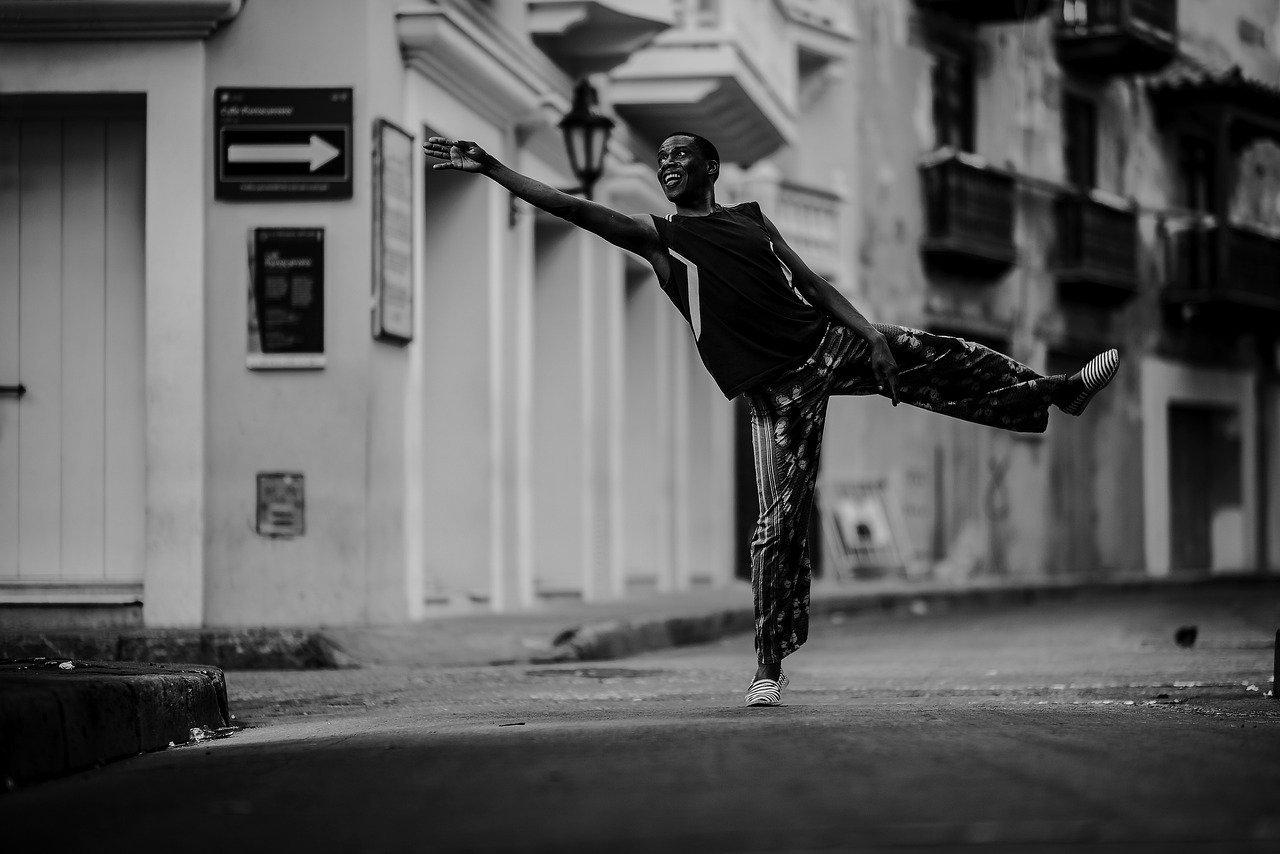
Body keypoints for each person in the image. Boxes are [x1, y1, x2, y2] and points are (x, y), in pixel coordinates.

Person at [423, 132, 1119, 707]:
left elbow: (812, 284)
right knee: (778, 526)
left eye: (679, 157)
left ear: (710, 169)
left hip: (828, 343)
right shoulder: (660, 240)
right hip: (777, 395)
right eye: (661, 160)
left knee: (944, 354)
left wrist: (871, 335)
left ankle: (1054, 392)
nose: (667, 166)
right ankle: (767, 665)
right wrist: (489, 167)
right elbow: (571, 207)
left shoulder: (751, 219)